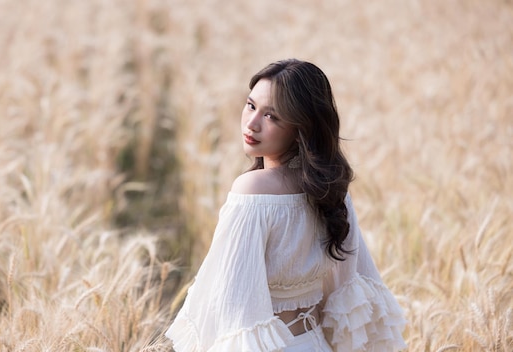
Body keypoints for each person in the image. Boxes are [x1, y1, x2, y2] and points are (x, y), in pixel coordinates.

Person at [165, 59, 406, 351]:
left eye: (272, 117)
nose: (252, 124)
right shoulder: (331, 188)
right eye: (251, 105)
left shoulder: (252, 191)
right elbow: (347, 290)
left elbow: (231, 306)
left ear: (301, 129)